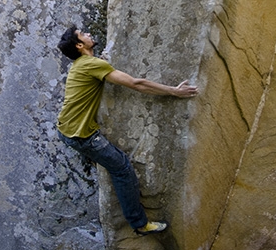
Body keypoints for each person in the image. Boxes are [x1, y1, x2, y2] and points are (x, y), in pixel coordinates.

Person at [57, 25, 197, 235]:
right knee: (122, 169)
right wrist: (174, 92)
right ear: (79, 45)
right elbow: (136, 83)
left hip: (68, 129)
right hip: (81, 135)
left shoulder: (83, 64)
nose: (88, 34)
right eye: (83, 35)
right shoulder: (90, 64)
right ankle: (139, 224)